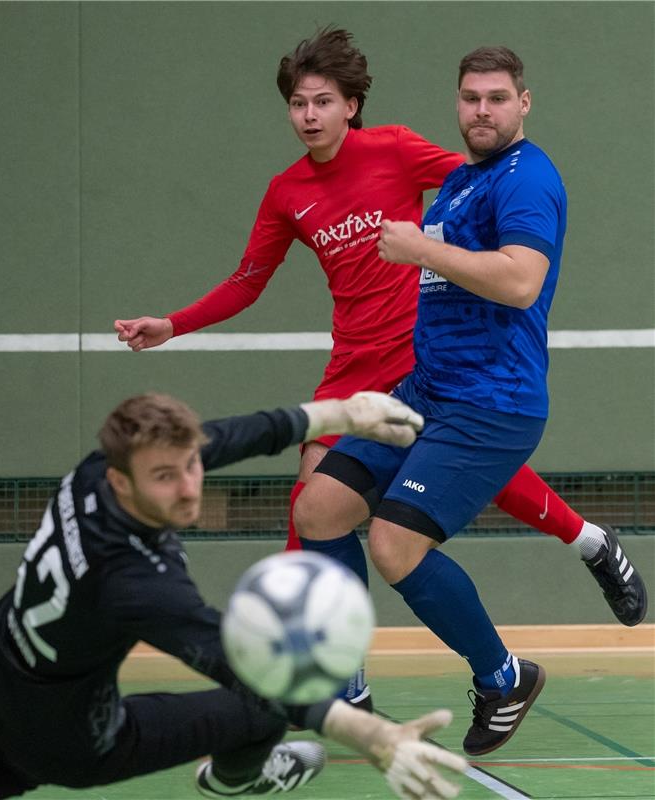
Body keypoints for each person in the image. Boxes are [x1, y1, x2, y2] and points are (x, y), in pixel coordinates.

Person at [112, 28, 641, 656]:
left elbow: (481, 192)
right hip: (353, 367)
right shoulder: (288, 193)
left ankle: (324, 676)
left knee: (454, 470)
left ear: (351, 106)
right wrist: (174, 323)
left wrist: (490, 255)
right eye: (299, 104)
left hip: (420, 354)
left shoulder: (394, 149)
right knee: (314, 510)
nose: (310, 116)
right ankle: (347, 678)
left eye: (323, 102)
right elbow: (247, 281)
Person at [292, 45, 647, 758]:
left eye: (495, 97)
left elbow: (519, 281)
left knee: (394, 542)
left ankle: (504, 677)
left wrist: (421, 251)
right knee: (317, 507)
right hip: (427, 392)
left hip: (493, 404)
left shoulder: (527, 180)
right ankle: (344, 686)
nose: (480, 109)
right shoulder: (460, 184)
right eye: (469, 97)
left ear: (523, 102)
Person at [0, 390, 468, 800]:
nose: (188, 487)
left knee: (6, 757)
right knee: (258, 710)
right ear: (122, 483)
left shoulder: (92, 471)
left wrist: (345, 415)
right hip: (73, 735)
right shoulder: (136, 581)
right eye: (165, 477)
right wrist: (372, 734)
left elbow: (235, 434)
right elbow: (242, 665)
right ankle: (236, 779)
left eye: (190, 467)